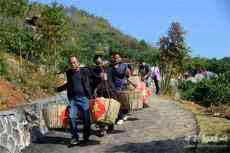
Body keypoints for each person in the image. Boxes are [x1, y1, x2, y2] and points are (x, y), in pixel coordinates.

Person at [56, 56, 92, 145]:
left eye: (74, 62)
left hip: (84, 98)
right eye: (71, 63)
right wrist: (58, 89)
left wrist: (101, 77)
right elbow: (69, 84)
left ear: (78, 62)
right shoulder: (69, 73)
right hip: (73, 99)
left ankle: (86, 137)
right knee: (71, 118)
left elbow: (94, 77)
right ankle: (75, 137)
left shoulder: (85, 71)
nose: (73, 64)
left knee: (86, 119)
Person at [109, 53, 131, 125]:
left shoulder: (124, 65)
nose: (116, 59)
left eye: (118, 58)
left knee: (123, 102)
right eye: (115, 58)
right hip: (113, 86)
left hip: (123, 86)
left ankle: (124, 114)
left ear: (120, 58)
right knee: (116, 102)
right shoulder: (111, 66)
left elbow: (128, 75)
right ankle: (119, 117)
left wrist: (127, 74)